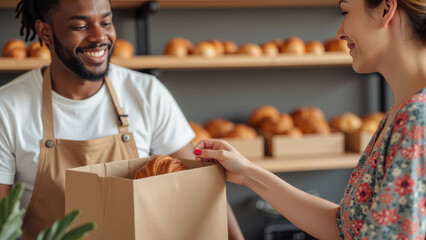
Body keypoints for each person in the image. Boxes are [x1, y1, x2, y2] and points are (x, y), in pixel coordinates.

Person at [0, 0, 244, 239]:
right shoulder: (7, 108)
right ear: (45, 31)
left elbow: (199, 188)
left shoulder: (146, 93)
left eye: (106, 22)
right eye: (80, 26)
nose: (99, 36)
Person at [193, 0, 426, 239]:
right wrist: (247, 173)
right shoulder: (401, 113)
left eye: (346, 12)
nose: (340, 32)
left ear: (386, 10)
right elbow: (344, 228)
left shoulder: (416, 118)